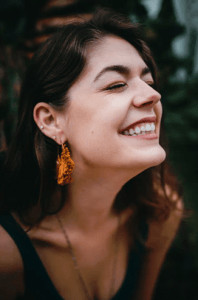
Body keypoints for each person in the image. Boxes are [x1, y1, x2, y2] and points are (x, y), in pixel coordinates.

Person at [0, 8, 182, 300]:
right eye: (116, 84)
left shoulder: (159, 216)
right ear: (50, 121)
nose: (153, 95)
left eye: (148, 82)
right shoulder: (7, 256)